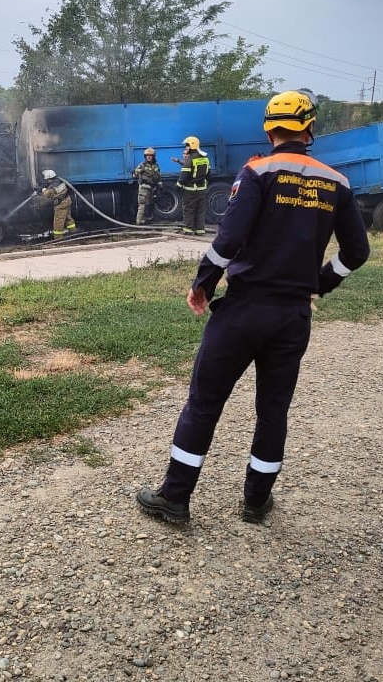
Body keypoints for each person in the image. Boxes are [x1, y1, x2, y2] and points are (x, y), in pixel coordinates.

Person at [137, 89, 370, 525]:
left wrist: (202, 284)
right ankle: (256, 502)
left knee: (204, 403)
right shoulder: (336, 182)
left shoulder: (259, 171)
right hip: (292, 317)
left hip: (243, 312)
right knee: (273, 410)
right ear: (310, 128)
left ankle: (175, 497)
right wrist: (320, 282)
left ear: (269, 127)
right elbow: (357, 251)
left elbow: (228, 239)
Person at [172, 136, 210, 233]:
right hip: (202, 189)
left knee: (189, 209)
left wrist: (177, 187)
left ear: (192, 146)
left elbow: (183, 177)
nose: (186, 148)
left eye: (187, 146)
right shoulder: (205, 158)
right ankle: (200, 230)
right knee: (200, 210)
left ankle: (188, 229)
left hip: (190, 190)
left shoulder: (190, 160)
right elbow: (208, 174)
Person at [38, 169, 76, 236]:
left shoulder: (54, 185)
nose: (47, 181)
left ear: (50, 178)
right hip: (67, 201)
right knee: (68, 219)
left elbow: (48, 194)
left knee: (58, 222)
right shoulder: (59, 181)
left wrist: (42, 189)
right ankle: (73, 233)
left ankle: (58, 238)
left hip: (61, 204)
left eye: (47, 179)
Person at [131, 147, 163, 224]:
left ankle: (145, 221)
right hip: (144, 188)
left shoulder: (156, 166)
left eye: (150, 155)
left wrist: (160, 185)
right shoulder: (142, 165)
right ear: (145, 156)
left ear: (153, 156)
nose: (148, 157)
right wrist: (139, 171)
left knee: (149, 205)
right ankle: (139, 223)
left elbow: (158, 177)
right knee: (142, 205)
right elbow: (134, 175)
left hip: (152, 188)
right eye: (147, 155)